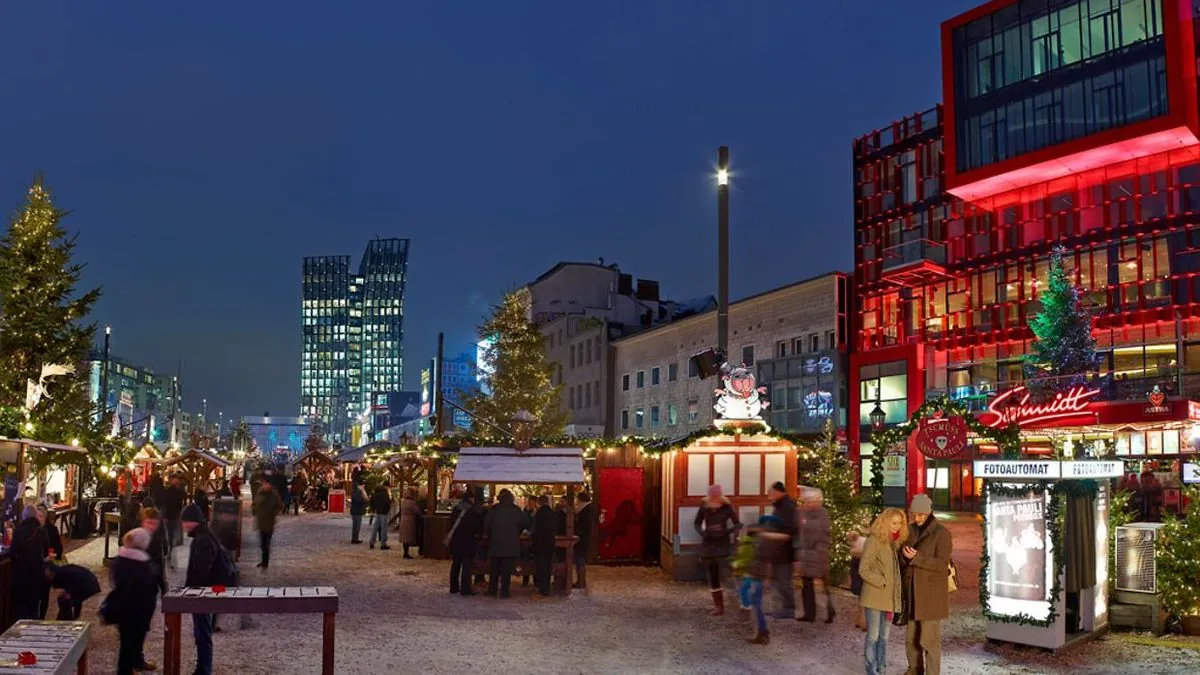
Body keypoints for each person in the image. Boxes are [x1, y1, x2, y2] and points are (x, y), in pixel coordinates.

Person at [900, 494, 953, 675]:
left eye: (921, 514)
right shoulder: (910, 529)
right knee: (911, 638)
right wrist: (903, 556)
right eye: (915, 514)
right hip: (913, 591)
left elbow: (941, 564)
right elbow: (903, 555)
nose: (917, 518)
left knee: (929, 640)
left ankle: (932, 672)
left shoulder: (942, 534)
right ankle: (914, 669)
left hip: (931, 595)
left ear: (929, 513)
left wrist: (917, 558)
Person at [108, 528, 161, 675]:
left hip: (124, 608)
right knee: (131, 642)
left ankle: (133, 665)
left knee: (128, 641)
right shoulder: (140, 564)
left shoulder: (121, 559)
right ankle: (125, 670)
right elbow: (148, 586)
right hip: (137, 609)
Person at [860, 508, 906, 675]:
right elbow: (864, 569)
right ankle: (871, 670)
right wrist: (882, 581)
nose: (897, 526)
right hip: (874, 596)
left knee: (884, 637)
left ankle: (882, 667)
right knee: (873, 636)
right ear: (885, 522)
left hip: (889, 599)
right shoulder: (874, 540)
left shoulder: (896, 542)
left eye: (900, 523)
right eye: (894, 523)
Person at [182, 503, 221, 675]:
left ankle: (204, 670)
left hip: (203, 593)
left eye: (185, 522)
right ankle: (202, 668)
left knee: (203, 633)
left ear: (192, 521)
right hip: (207, 590)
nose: (183, 526)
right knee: (202, 632)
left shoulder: (202, 540)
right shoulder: (204, 535)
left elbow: (200, 570)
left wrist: (192, 591)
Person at [735, 514, 783, 645]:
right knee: (756, 603)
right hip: (757, 575)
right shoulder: (764, 540)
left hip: (759, 576)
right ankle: (762, 632)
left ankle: (762, 633)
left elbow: (766, 561)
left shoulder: (766, 541)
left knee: (757, 604)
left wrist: (766, 577)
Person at [693, 484, 740, 616]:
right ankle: (719, 606)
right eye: (712, 495)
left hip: (723, 545)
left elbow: (737, 523)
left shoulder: (726, 507)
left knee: (727, 575)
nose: (714, 497)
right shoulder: (704, 507)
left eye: (716, 495)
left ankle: (736, 604)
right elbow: (697, 523)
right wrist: (702, 533)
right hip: (709, 545)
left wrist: (727, 532)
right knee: (713, 576)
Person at [795, 486, 833, 623]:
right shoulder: (801, 512)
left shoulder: (822, 513)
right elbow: (798, 531)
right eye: (807, 501)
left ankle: (829, 611)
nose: (810, 504)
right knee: (806, 584)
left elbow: (826, 534)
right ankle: (809, 613)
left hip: (819, 554)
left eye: (812, 501)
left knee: (824, 584)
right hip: (805, 554)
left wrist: (820, 550)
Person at [10, 505, 50, 620]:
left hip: (20, 577)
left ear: (24, 516)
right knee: (33, 609)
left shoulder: (18, 531)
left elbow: (12, 552)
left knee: (20, 610)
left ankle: (20, 633)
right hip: (36, 576)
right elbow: (46, 552)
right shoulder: (42, 532)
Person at [764, 481, 797, 619]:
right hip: (777, 550)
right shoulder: (780, 506)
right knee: (778, 581)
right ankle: (780, 608)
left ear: (778, 492)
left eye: (771, 493)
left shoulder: (788, 507)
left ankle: (789, 608)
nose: (769, 496)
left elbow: (790, 531)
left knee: (784, 581)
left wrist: (771, 535)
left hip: (785, 551)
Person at [483, 489, 523, 598]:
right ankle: (505, 592)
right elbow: (523, 524)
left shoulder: (494, 509)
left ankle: (492, 590)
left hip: (496, 544)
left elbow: (487, 524)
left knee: (494, 570)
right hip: (511, 545)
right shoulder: (516, 510)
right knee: (506, 571)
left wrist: (489, 535)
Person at [448, 492, 484, 596]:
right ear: (471, 499)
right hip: (468, 541)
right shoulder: (472, 511)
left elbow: (451, 524)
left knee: (455, 564)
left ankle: (453, 587)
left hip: (456, 540)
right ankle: (465, 589)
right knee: (466, 566)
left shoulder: (456, 509)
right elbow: (477, 526)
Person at [252, 478, 283, 569]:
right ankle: (264, 561)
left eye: (267, 484)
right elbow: (255, 503)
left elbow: (279, 506)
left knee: (266, 543)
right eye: (264, 484)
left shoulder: (274, 494)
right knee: (263, 543)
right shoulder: (259, 493)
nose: (265, 486)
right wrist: (254, 511)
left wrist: (273, 513)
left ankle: (265, 562)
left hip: (269, 521)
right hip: (261, 521)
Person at [531, 495, 557, 598]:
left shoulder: (539, 514)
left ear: (539, 502)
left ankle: (543, 589)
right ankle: (546, 588)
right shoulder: (553, 513)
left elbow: (538, 530)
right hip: (550, 542)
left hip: (541, 544)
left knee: (541, 567)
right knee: (547, 566)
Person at [141, 506, 169, 596]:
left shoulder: (157, 536)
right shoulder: (137, 535)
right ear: (143, 522)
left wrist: (165, 548)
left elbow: (163, 536)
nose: (151, 526)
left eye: (155, 523)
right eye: (149, 523)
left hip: (155, 557)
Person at [574, 493, 595, 591]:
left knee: (580, 558)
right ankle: (581, 581)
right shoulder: (586, 509)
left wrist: (577, 532)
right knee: (580, 558)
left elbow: (583, 525)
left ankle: (581, 581)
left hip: (582, 539)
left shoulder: (585, 510)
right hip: (583, 538)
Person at [399, 488, 423, 559]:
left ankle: (405, 552)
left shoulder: (403, 501)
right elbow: (417, 511)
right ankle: (406, 554)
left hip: (403, 520)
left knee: (404, 538)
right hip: (410, 521)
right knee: (408, 537)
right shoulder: (412, 502)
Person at [369, 482, 392, 550]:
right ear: (386, 487)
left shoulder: (375, 493)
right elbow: (387, 502)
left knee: (375, 528)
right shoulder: (385, 494)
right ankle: (383, 544)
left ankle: (372, 542)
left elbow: (371, 501)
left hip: (378, 511)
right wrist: (388, 509)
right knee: (384, 528)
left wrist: (374, 509)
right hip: (384, 512)